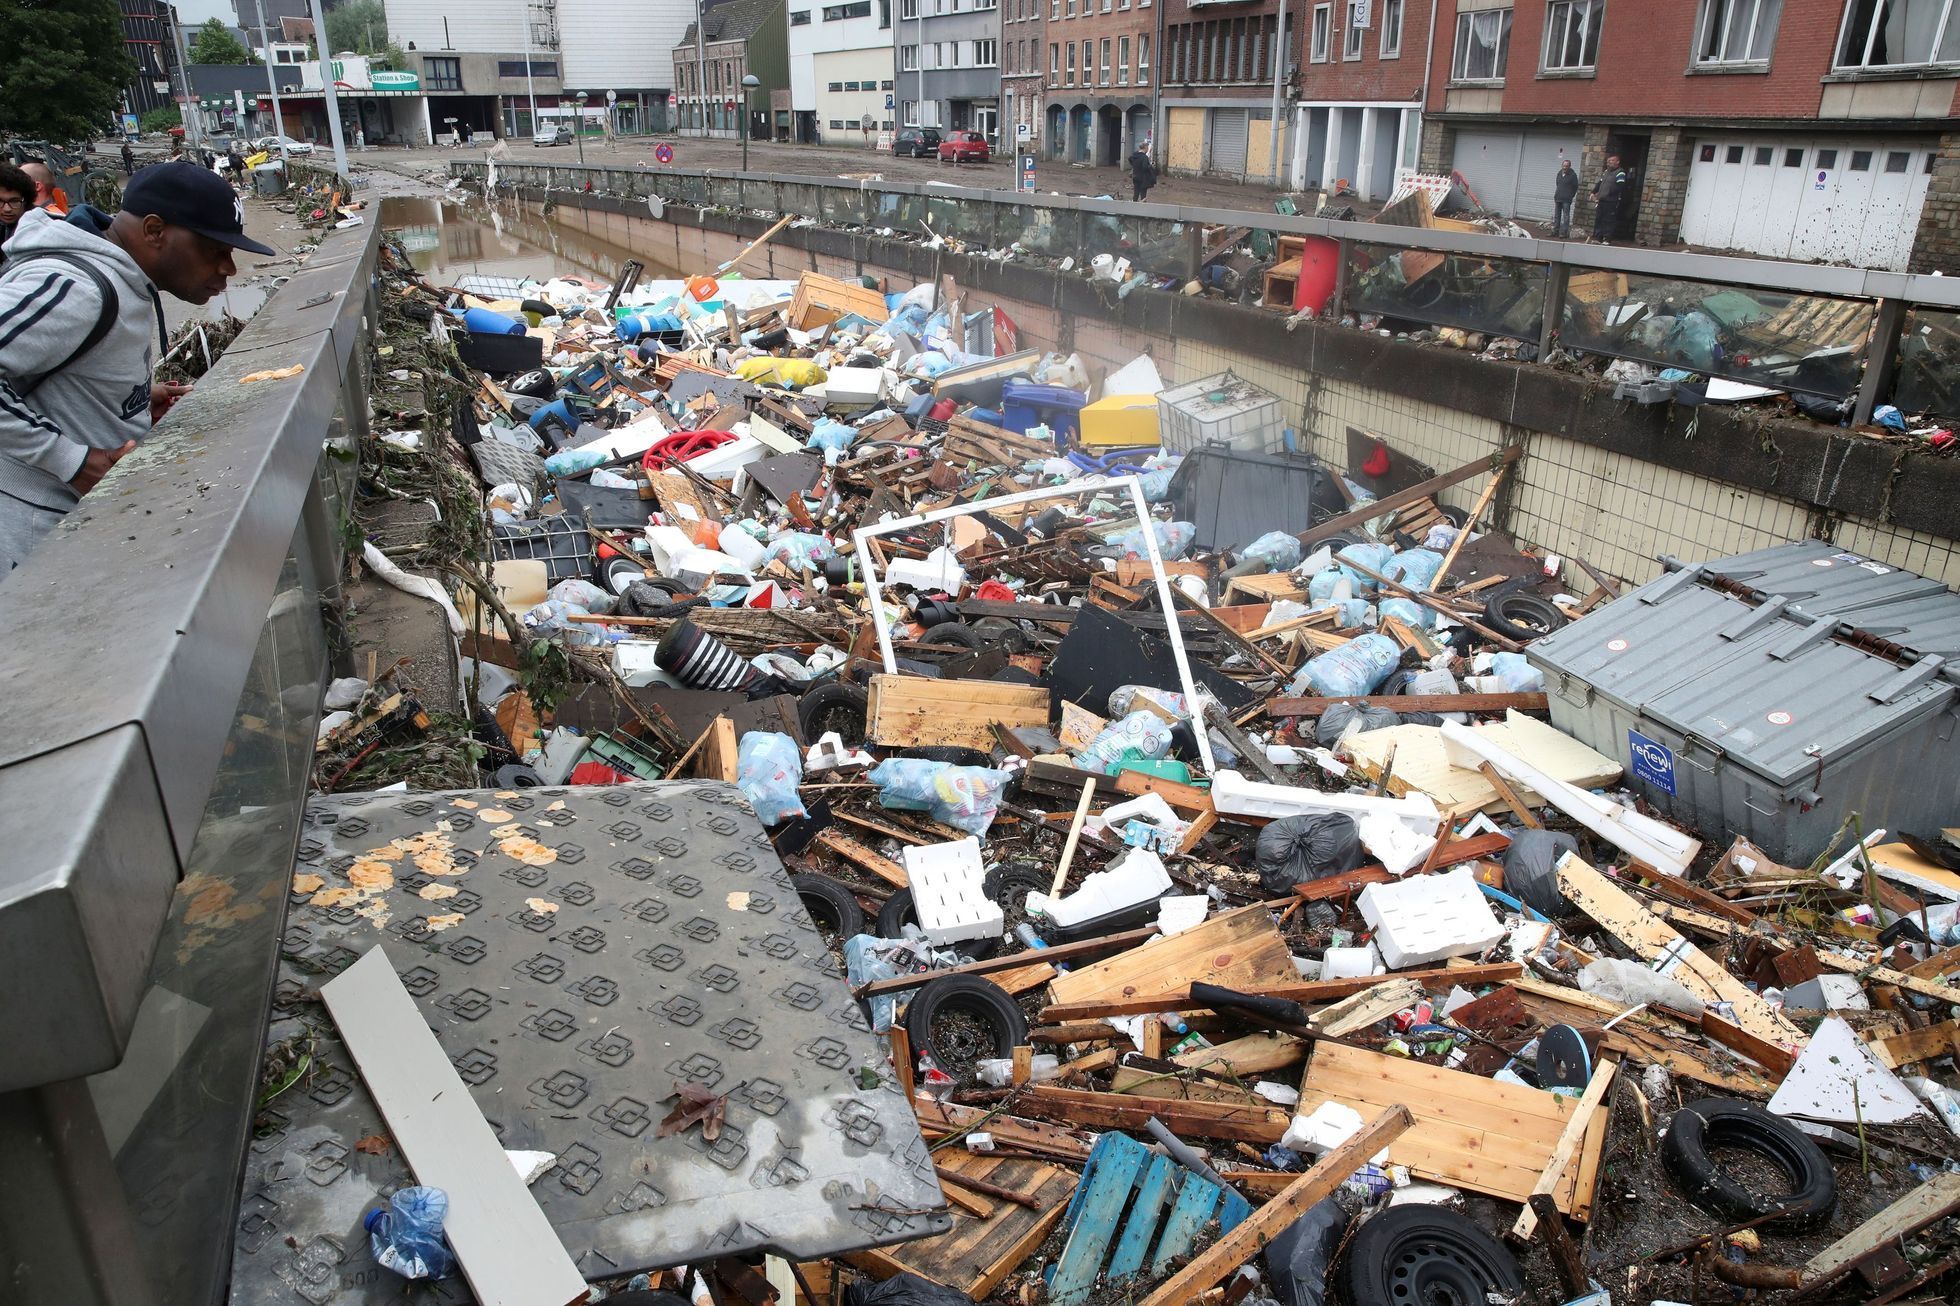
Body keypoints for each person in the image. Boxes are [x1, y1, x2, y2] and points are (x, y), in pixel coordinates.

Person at [0, 162, 275, 571]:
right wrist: (70, 461)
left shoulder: (124, 280)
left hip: (75, 526)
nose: (228, 269)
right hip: (31, 536)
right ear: (154, 231)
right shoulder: (76, 286)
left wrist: (129, 401)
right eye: (215, 250)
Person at [1591, 152, 1628, 244]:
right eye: (1608, 161)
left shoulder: (1620, 172)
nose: (1609, 162)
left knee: (1609, 220)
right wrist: (1593, 192)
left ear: (1617, 162)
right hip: (1602, 200)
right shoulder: (1606, 172)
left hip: (1611, 201)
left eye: (1612, 160)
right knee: (1599, 218)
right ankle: (1598, 237)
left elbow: (1620, 186)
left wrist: (1608, 193)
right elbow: (1600, 183)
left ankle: (1607, 239)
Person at [1552, 158, 1577, 239]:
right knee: (1557, 216)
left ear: (1569, 166)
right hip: (1558, 197)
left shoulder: (1573, 175)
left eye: (1566, 166)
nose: (1565, 167)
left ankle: (1564, 233)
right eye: (1563, 165)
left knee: (1565, 216)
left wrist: (1570, 195)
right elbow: (1557, 184)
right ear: (1562, 166)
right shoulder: (1559, 173)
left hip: (1566, 199)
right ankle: (1555, 231)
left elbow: (1575, 187)